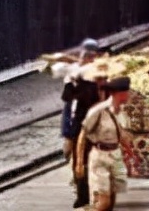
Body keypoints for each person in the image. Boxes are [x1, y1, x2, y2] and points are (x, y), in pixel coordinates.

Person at [76, 76, 132, 211]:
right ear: (117, 94)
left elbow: (120, 135)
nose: (128, 95)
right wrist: (79, 162)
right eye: (125, 92)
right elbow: (83, 135)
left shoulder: (122, 111)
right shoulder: (98, 111)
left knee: (111, 201)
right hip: (100, 156)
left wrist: (130, 154)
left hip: (116, 156)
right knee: (103, 203)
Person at [63, 43, 104, 209]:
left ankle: (95, 193)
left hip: (95, 123)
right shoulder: (77, 79)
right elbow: (66, 98)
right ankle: (82, 195)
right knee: (78, 159)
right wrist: (71, 82)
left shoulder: (97, 80)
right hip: (79, 122)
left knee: (95, 160)